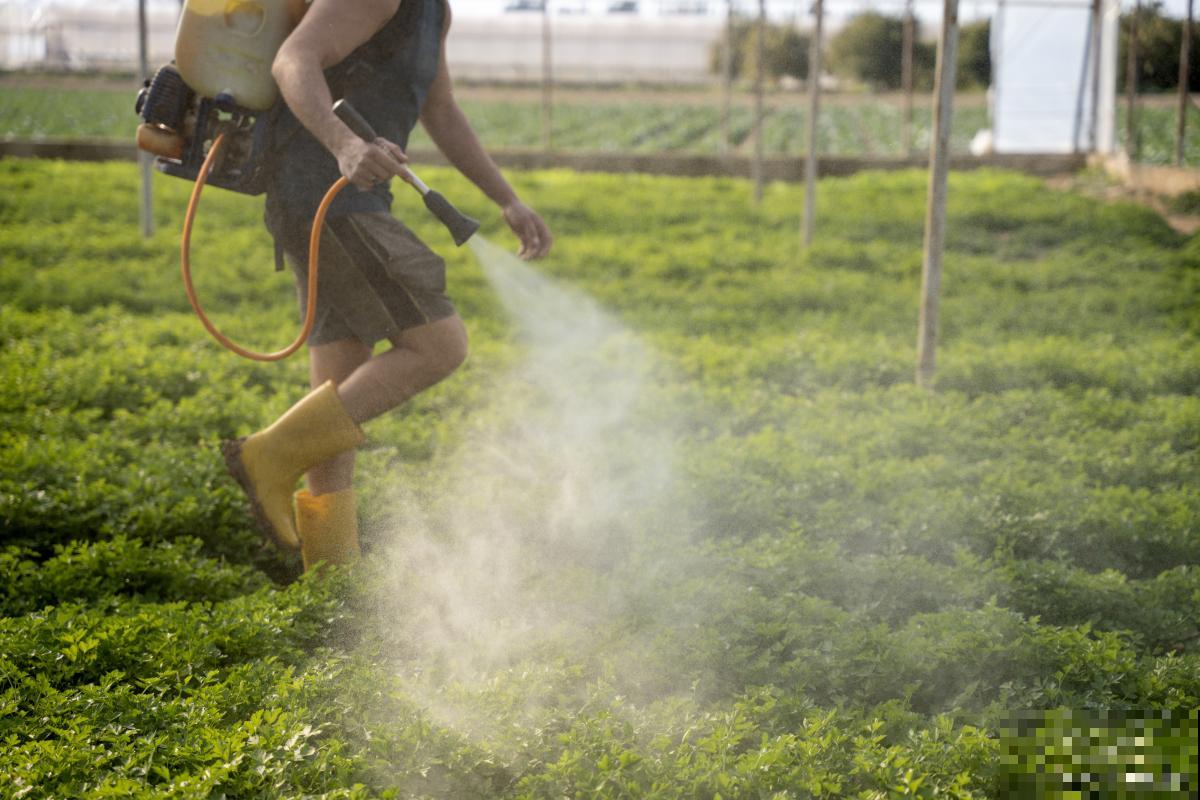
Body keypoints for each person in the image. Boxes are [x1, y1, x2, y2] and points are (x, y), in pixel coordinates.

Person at [221, 0, 552, 571]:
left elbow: (440, 109)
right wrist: (345, 144)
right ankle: (269, 456)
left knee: (341, 377)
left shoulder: (434, 11)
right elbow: (292, 60)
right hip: (327, 193)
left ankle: (331, 571)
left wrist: (505, 198)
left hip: (339, 196)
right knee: (440, 345)